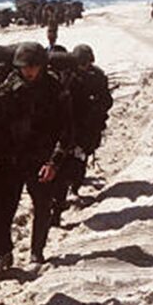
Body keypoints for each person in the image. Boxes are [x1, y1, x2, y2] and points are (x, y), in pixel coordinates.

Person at [0, 42, 73, 272]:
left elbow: (66, 131)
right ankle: (4, 251)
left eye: (33, 66)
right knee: (4, 209)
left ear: (42, 66)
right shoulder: (6, 90)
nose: (29, 71)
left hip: (41, 159)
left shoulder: (55, 91)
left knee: (43, 206)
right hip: (12, 160)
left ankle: (37, 252)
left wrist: (54, 162)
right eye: (24, 67)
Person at [51, 44, 112, 226]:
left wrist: (95, 109)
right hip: (66, 128)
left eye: (86, 62)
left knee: (79, 162)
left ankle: (74, 187)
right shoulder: (66, 76)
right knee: (62, 170)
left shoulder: (97, 77)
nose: (83, 66)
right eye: (81, 63)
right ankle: (57, 208)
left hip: (86, 129)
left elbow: (106, 101)